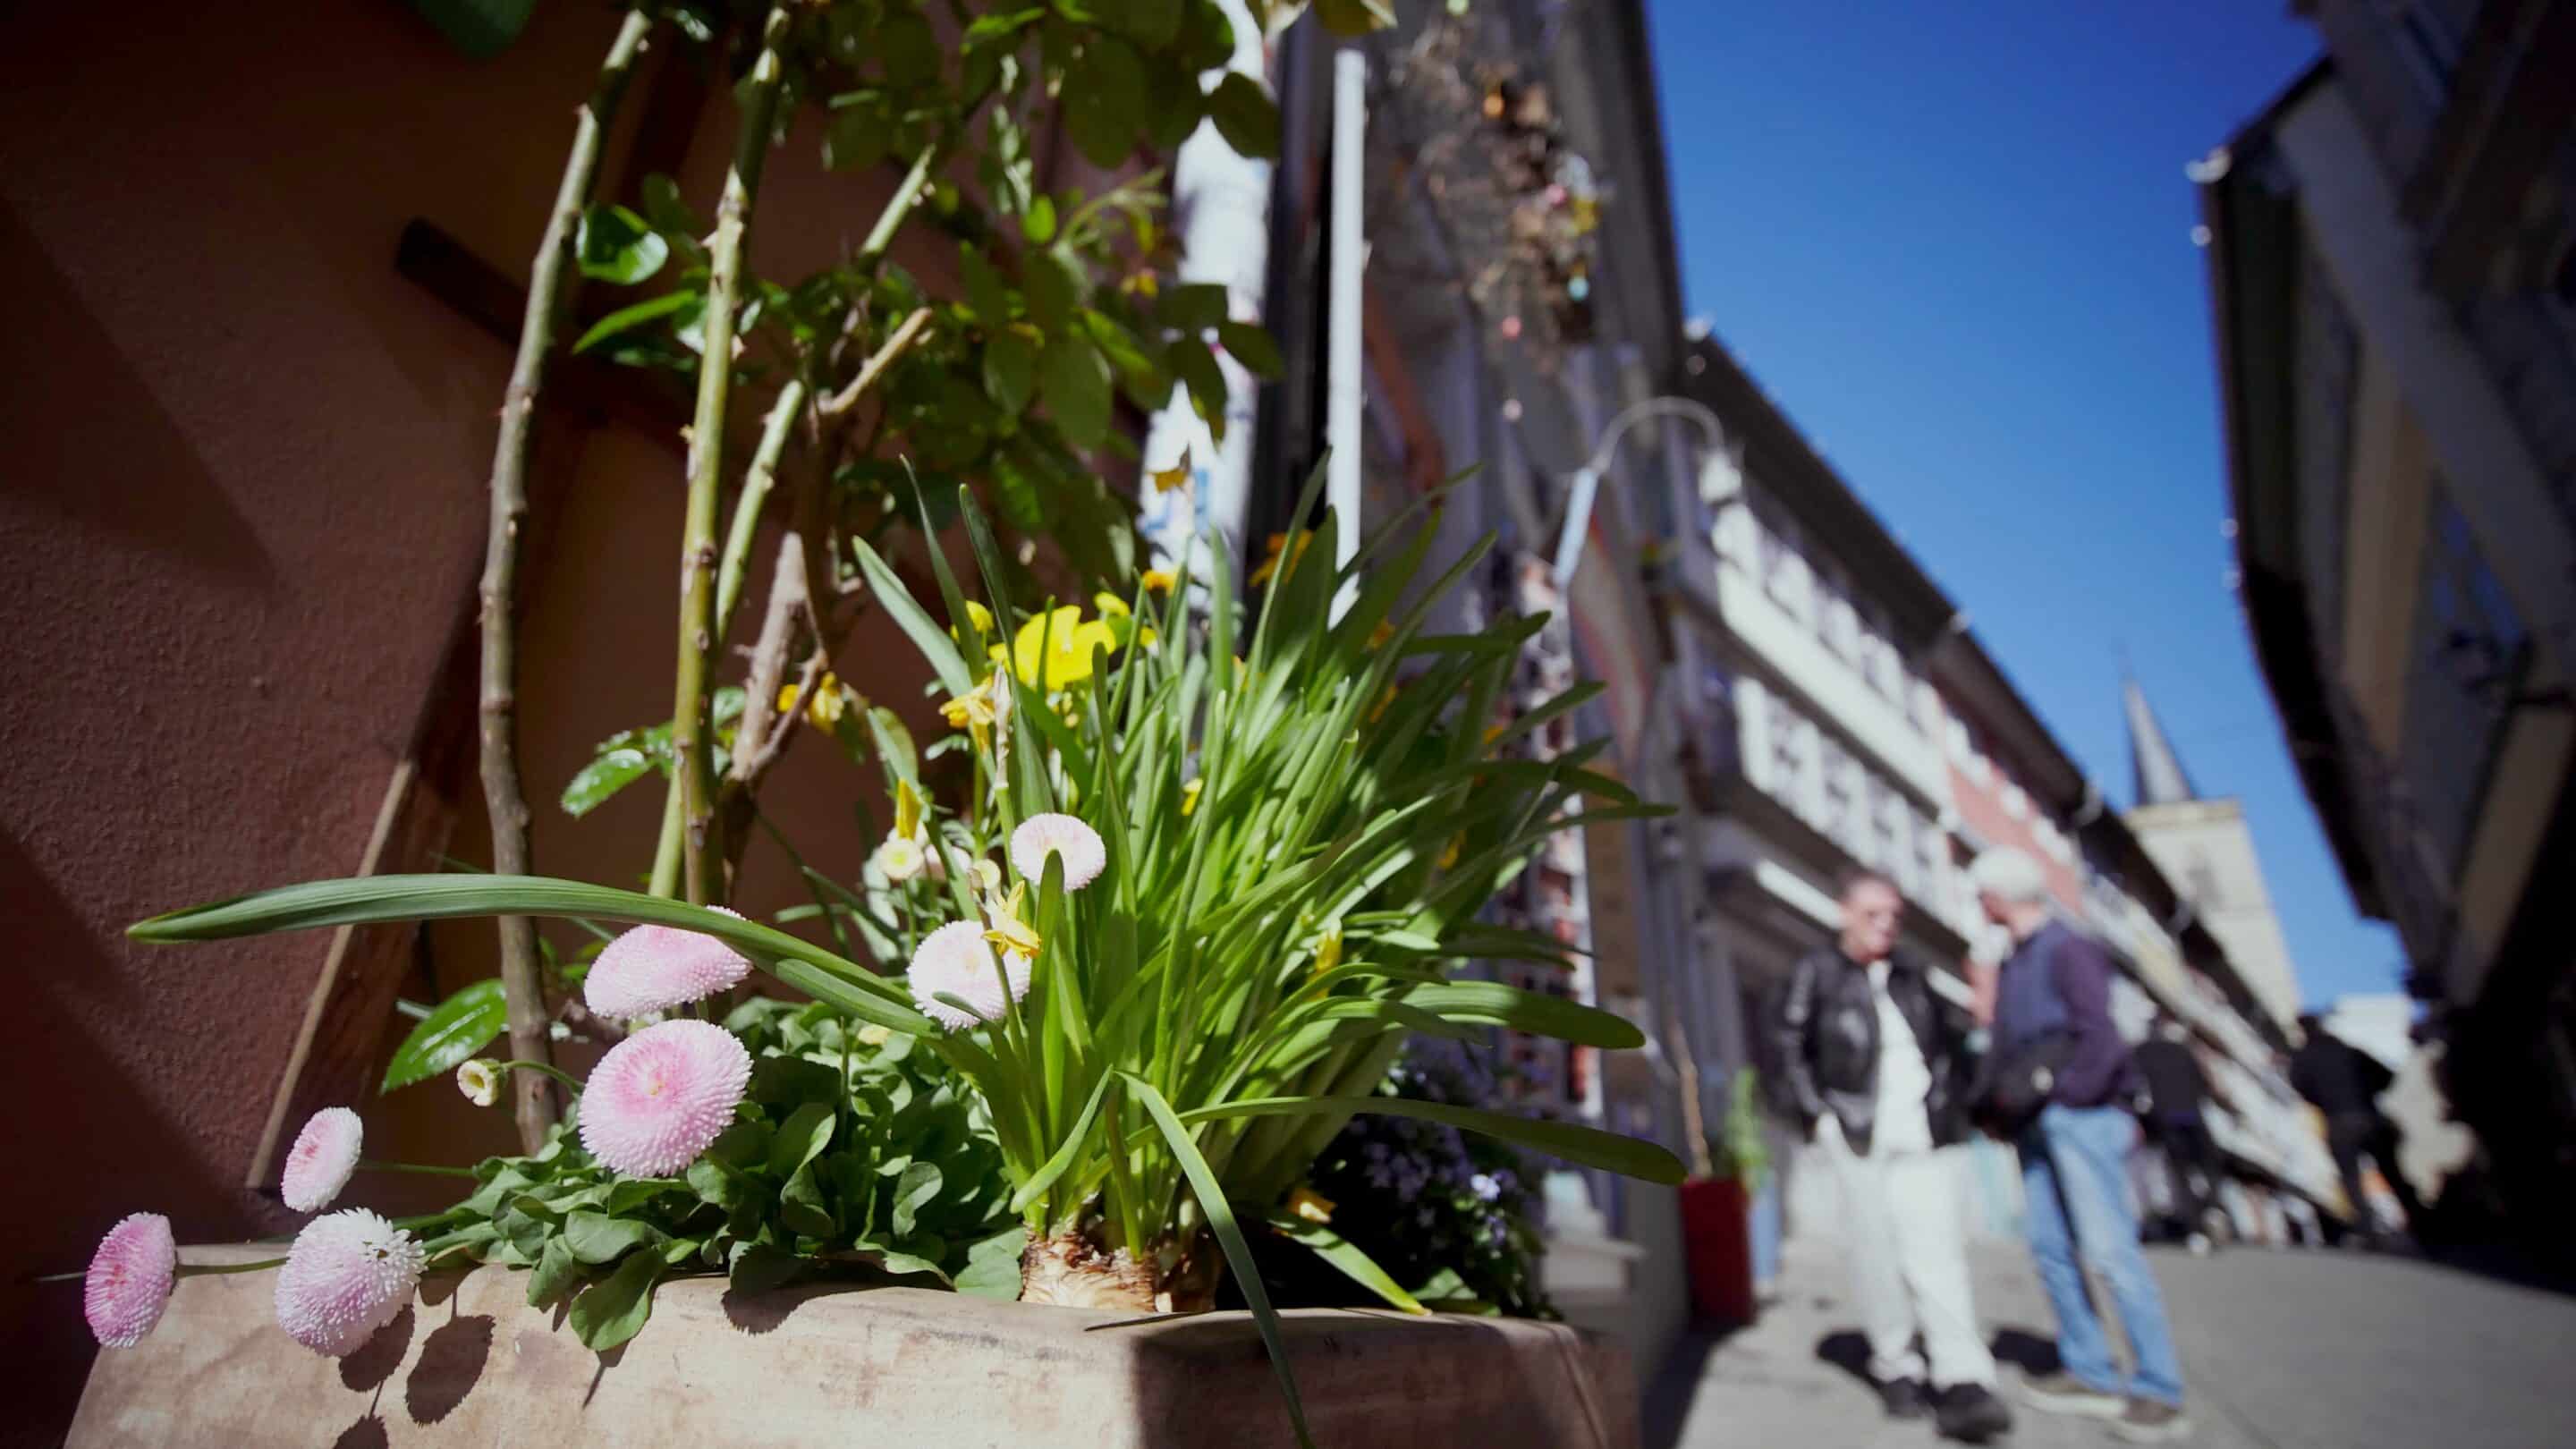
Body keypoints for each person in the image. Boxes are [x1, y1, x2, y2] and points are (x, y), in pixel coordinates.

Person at [1773, 871, 2013, 1443]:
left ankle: (1963, 1379)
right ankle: (1896, 1364)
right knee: (1876, 1255)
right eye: (1872, 914)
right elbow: (1787, 1045)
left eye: (1893, 916)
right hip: (1856, 1131)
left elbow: (1948, 1047)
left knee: (1938, 1254)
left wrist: (1955, 1100)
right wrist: (1819, 1116)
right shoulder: (1817, 971)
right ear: (1844, 914)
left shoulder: (1912, 975)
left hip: (1921, 1134)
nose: (1885, 925)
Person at [1969, 848, 2191, 1444]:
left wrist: (2070, 1096)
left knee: (2110, 1249)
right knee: (2049, 1247)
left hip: (2080, 1116)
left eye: (1979, 893)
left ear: (1997, 894)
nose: (1975, 903)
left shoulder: (2068, 947)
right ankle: (2090, 1370)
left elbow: (2102, 1034)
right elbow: (2008, 1046)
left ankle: (2158, 1388)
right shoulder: (2015, 962)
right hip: (2036, 1122)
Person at [2290, 1013, 2424, 1243]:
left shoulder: (2304, 1058)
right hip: (2368, 1116)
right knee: (2393, 1173)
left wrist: (2324, 1099)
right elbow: (2387, 1076)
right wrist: (2366, 1092)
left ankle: (2369, 1232)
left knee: (2351, 1179)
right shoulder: (2349, 1051)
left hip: (2339, 1120)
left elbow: (2299, 1087)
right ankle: (2422, 1225)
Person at [2131, 1019, 2221, 1253]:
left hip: (2166, 1119)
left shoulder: (2140, 1052)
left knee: (2180, 1175)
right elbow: (2203, 1084)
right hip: (2193, 1115)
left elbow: (2136, 1088)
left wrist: (2146, 1119)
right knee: (2206, 1165)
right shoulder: (2182, 1050)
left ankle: (2196, 1231)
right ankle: (2212, 1205)